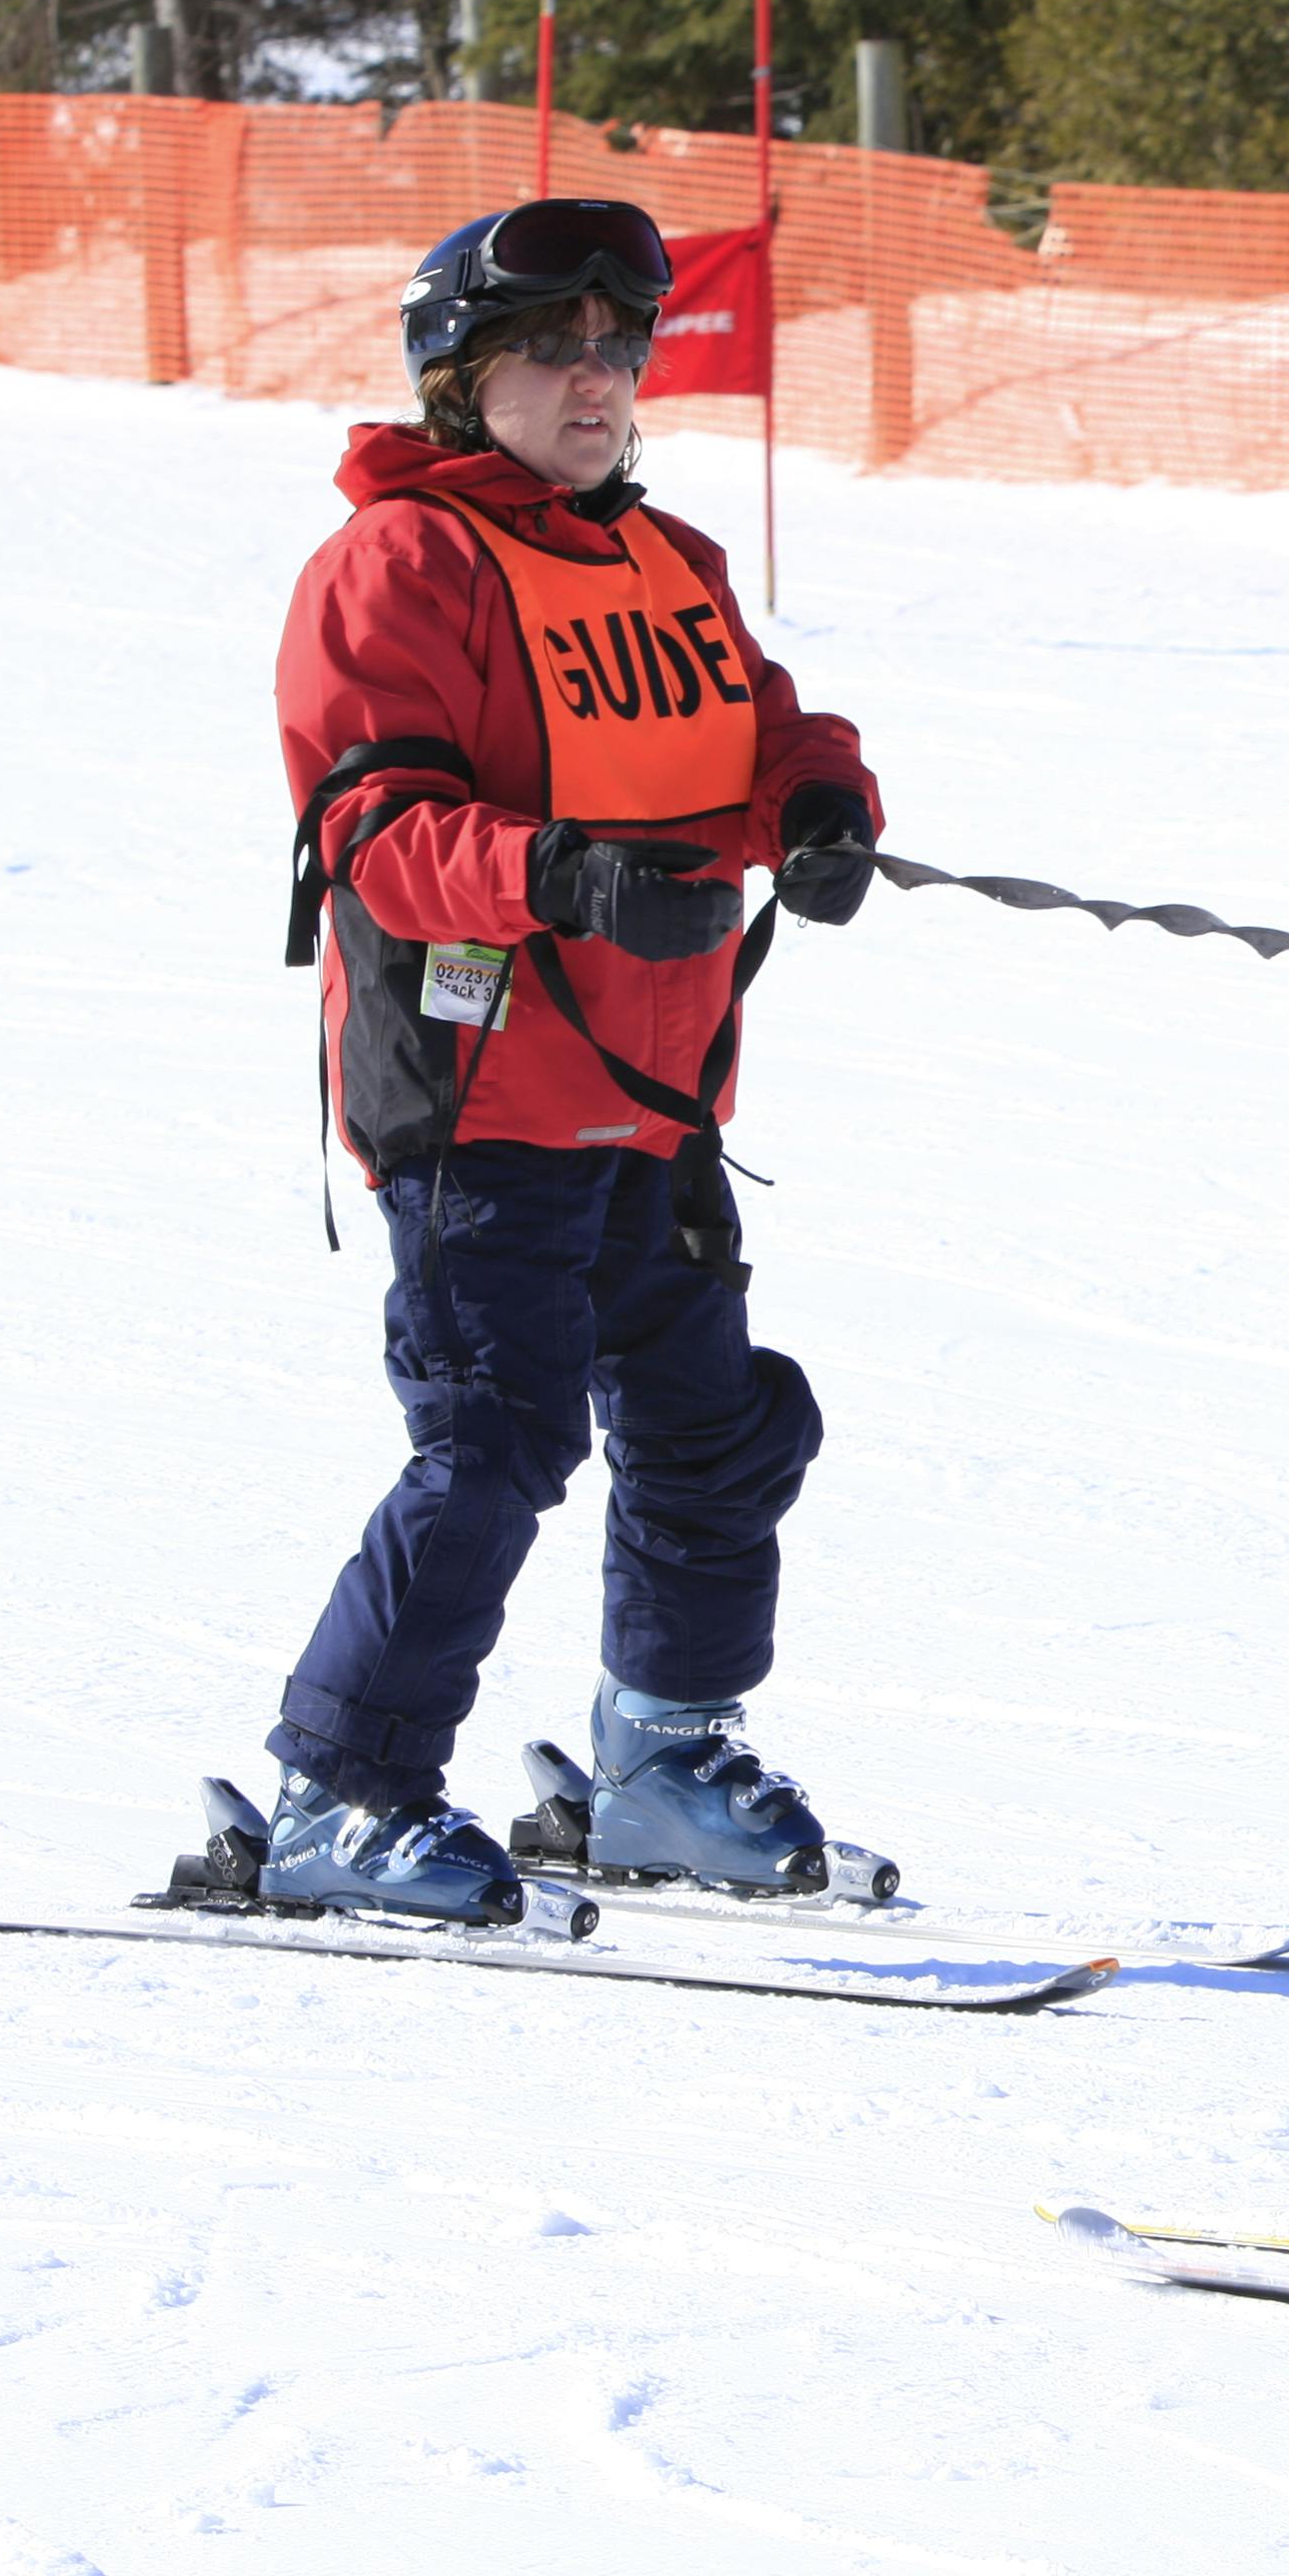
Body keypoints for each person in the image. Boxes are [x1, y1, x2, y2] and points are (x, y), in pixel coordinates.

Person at [259, 198, 887, 1925]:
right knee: (496, 1442)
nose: (599, 378)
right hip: (483, 1098)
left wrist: (821, 804)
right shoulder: (401, 565)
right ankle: (341, 1790)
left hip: (658, 1101)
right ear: (463, 377)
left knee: (716, 1432)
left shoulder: (668, 558)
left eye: (622, 345)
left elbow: (764, 725)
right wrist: (559, 874)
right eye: (554, 348)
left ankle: (665, 1761)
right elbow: (377, 826)